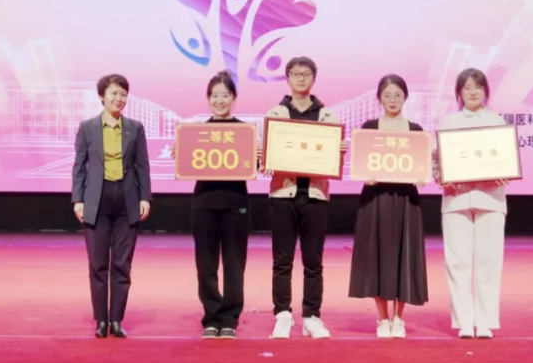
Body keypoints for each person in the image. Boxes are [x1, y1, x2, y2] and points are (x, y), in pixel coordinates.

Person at [265, 56, 346, 339]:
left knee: (313, 261)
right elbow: (266, 157)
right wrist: (264, 156)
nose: (301, 78)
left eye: (306, 74)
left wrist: (339, 150)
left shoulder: (328, 117)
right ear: (287, 78)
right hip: (283, 194)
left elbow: (334, 159)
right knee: (282, 260)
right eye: (296, 73)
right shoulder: (275, 115)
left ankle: (311, 316)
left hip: (315, 195)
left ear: (314, 78)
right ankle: (282, 315)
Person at [72, 74, 152, 339]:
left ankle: (116, 319)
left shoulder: (135, 128)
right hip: (96, 201)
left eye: (123, 94)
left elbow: (142, 166)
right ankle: (101, 320)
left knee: (122, 264)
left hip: (127, 201)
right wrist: (78, 199)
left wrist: (145, 197)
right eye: (114, 93)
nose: (119, 99)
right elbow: (79, 167)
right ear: (102, 96)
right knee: (98, 264)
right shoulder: (88, 128)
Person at [174, 71, 253, 339]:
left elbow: (252, 166)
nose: (220, 100)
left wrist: (258, 156)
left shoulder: (245, 132)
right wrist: (181, 153)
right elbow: (186, 163)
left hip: (235, 204)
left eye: (225, 95)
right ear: (208, 99)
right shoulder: (195, 133)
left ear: (233, 98)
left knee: (234, 264)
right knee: (206, 265)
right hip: (204, 203)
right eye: (215, 95)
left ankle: (229, 318)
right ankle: (211, 316)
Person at [348, 74, 429, 338]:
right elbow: (361, 161)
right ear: (379, 98)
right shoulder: (369, 128)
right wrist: (366, 173)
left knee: (404, 256)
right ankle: (382, 318)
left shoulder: (416, 131)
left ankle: (399, 318)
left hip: (406, 200)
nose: (392, 100)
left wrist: (421, 175)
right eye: (387, 95)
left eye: (397, 95)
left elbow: (423, 165)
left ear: (405, 97)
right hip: (376, 199)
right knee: (378, 257)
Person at [434, 68, 511, 339]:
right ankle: (464, 321)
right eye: (467, 87)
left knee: (489, 262)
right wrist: (443, 178)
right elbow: (437, 161)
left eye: (478, 87)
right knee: (458, 262)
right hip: (456, 199)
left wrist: (505, 172)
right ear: (459, 93)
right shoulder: (449, 123)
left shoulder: (497, 122)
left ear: (486, 91)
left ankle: (485, 321)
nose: (473, 92)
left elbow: (506, 159)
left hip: (490, 199)